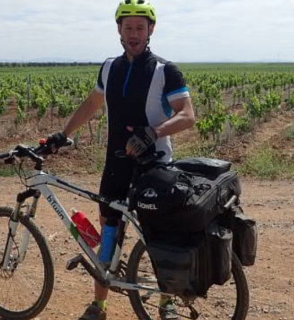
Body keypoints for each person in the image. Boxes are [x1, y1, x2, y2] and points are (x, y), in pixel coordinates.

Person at [47, 1, 195, 319]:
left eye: (140, 27)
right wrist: (64, 132)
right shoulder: (110, 67)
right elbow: (93, 102)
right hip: (116, 163)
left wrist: (151, 133)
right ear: (119, 30)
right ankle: (99, 304)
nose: (133, 34)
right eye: (127, 27)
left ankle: (166, 304)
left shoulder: (165, 70)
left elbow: (187, 116)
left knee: (155, 236)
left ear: (151, 30)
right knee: (109, 232)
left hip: (154, 167)